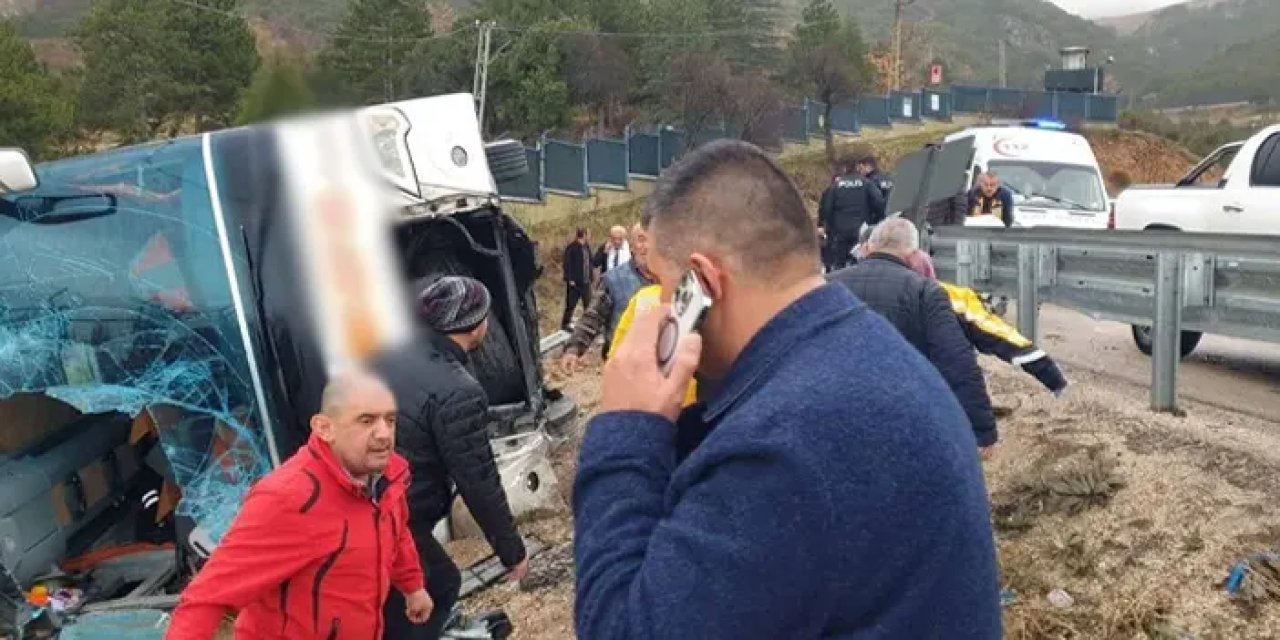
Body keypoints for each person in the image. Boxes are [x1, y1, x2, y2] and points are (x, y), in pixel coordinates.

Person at [573, 140, 1001, 639]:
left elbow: (622, 628)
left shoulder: (783, 451)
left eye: (669, 294)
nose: (663, 315)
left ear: (703, 284)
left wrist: (627, 429)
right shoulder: (857, 353)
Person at [167, 371, 432, 640]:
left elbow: (395, 531)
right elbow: (208, 596)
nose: (384, 434)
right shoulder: (290, 498)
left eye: (390, 420)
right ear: (324, 428)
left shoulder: (386, 478)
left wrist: (412, 586)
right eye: (366, 421)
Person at [372, 276, 528, 640]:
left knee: (415, 585)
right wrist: (512, 551)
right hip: (397, 511)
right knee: (438, 583)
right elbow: (479, 481)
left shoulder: (393, 350)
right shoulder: (459, 390)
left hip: (371, 496)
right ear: (477, 325)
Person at [829, 218, 998, 455]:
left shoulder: (827, 287)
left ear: (868, 247)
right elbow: (956, 360)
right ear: (914, 254)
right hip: (904, 413)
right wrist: (981, 430)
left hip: (835, 410)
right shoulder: (925, 292)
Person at [903, 250, 1069, 396]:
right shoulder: (953, 297)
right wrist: (1050, 375)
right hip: (945, 384)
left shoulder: (881, 293)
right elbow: (1000, 335)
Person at [560, 222, 655, 368]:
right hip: (621, 366)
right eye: (641, 239)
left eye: (652, 240)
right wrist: (574, 348)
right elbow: (592, 317)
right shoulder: (612, 280)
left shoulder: (673, 278)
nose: (647, 246)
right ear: (632, 245)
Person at [818, 157, 885, 272]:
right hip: (861, 229)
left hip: (840, 231)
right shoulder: (867, 183)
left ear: (844, 170)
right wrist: (876, 221)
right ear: (858, 168)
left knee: (839, 264)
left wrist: (829, 227)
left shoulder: (836, 186)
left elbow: (827, 208)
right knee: (861, 260)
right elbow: (879, 203)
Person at [561, 228, 594, 331]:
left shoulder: (586, 247)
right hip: (574, 283)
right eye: (588, 234)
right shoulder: (572, 248)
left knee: (588, 304)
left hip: (586, 281)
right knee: (571, 304)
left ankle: (588, 324)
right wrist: (569, 278)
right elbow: (567, 264)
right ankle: (565, 324)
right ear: (583, 234)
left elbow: (590, 262)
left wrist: (591, 276)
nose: (590, 236)